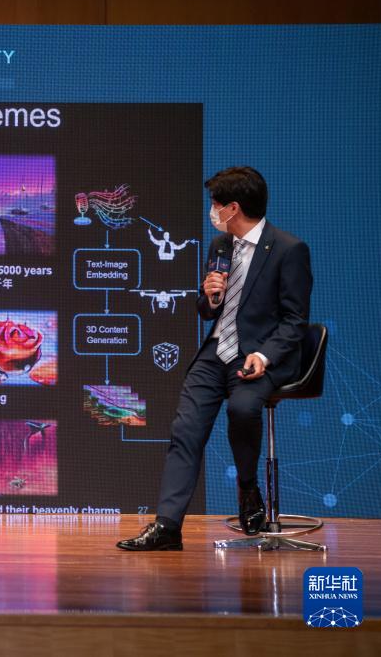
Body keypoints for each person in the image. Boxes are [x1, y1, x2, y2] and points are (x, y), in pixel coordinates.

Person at [118, 167, 312, 550]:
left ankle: (248, 488)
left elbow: (296, 320)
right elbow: (208, 311)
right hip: (215, 352)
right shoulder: (221, 246)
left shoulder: (289, 250)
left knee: (243, 409)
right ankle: (167, 527)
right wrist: (209, 296)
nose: (213, 211)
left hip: (256, 355)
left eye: (216, 204)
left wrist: (264, 355)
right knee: (185, 430)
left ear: (232, 208)